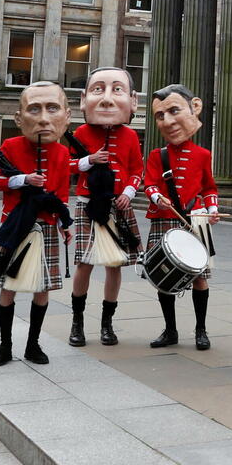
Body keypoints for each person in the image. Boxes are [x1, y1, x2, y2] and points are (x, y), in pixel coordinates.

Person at [0, 81, 73, 366]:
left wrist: (64, 223)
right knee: (8, 286)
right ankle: (5, 346)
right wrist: (23, 180)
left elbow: (60, 194)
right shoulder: (10, 146)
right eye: (34, 109)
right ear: (20, 118)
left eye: (52, 109)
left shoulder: (62, 153)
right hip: (16, 225)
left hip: (46, 227)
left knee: (42, 288)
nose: (44, 118)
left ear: (65, 116)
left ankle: (33, 345)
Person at [68, 67, 143, 347]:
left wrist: (128, 191)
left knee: (115, 265)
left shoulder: (131, 136)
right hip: (89, 202)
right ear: (85, 98)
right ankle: (77, 323)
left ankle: (107, 324)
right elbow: (67, 165)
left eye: (117, 90)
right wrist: (89, 161)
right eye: (98, 89)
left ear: (132, 100)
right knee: (85, 263)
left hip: (118, 204)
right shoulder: (81, 132)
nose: (108, 99)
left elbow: (137, 169)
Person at [143, 84, 219, 351]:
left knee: (200, 277)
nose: (167, 122)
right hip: (164, 218)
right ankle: (170, 330)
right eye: (160, 116)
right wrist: (156, 197)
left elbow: (209, 188)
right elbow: (149, 183)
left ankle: (201, 330)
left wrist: (212, 210)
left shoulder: (203, 155)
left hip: (195, 220)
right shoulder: (157, 155)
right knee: (164, 277)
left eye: (174, 111)